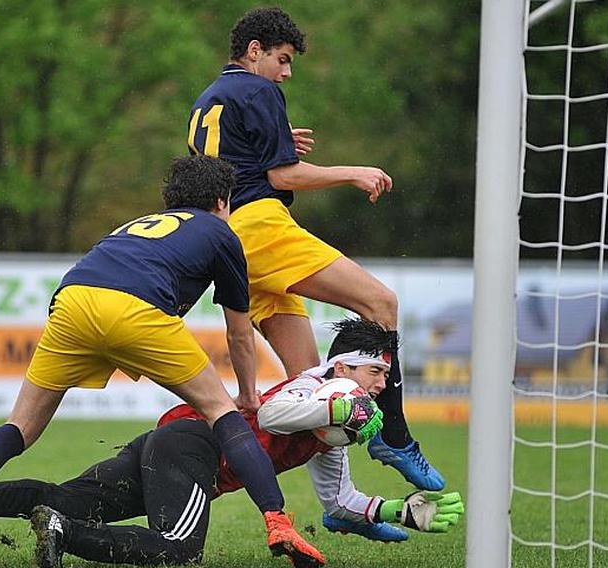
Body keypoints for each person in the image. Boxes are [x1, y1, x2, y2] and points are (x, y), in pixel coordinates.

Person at [0, 156, 322, 568]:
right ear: (222, 201)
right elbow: (239, 332)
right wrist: (248, 395)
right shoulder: (220, 231)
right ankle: (278, 522)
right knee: (222, 413)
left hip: (71, 300)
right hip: (135, 308)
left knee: (20, 427)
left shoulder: (137, 225)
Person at [0, 319, 465, 567]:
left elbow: (339, 502)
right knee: (178, 550)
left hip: (169, 443)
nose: (379, 384)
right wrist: (341, 403)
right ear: (343, 366)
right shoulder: (323, 387)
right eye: (374, 371)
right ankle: (62, 534)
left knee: (69, 495)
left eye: (383, 376)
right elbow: (276, 410)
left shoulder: (334, 432)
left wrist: (398, 509)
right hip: (192, 449)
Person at [187, 6, 443, 491]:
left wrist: (277, 145)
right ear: (254, 51)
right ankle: (394, 435)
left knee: (309, 383)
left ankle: (340, 501)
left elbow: (236, 164)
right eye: (282, 60)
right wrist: (353, 172)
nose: (285, 74)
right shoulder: (259, 88)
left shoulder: (208, 97)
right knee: (380, 303)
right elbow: (282, 177)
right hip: (260, 227)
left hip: (229, 244)